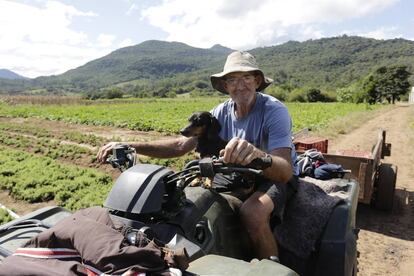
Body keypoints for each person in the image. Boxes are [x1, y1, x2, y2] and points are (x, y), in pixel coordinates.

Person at [97, 51, 298, 261]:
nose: (240, 85)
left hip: (271, 176)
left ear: (257, 81)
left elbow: (284, 170)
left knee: (253, 214)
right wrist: (129, 145)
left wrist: (257, 155)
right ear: (225, 86)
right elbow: (179, 146)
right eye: (232, 79)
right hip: (233, 174)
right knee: (185, 202)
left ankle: (271, 268)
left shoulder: (274, 111)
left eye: (246, 78)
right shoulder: (219, 113)